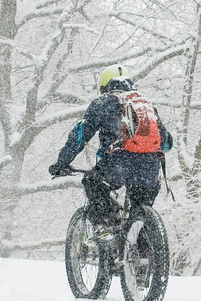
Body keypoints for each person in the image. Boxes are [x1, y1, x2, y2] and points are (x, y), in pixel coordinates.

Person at [48, 65, 172, 226]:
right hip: (149, 169)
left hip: (119, 165)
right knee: (140, 216)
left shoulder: (102, 103)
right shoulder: (145, 105)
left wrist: (62, 162)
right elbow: (167, 143)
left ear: (104, 86)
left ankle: (105, 228)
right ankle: (142, 245)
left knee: (93, 182)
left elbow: (79, 136)